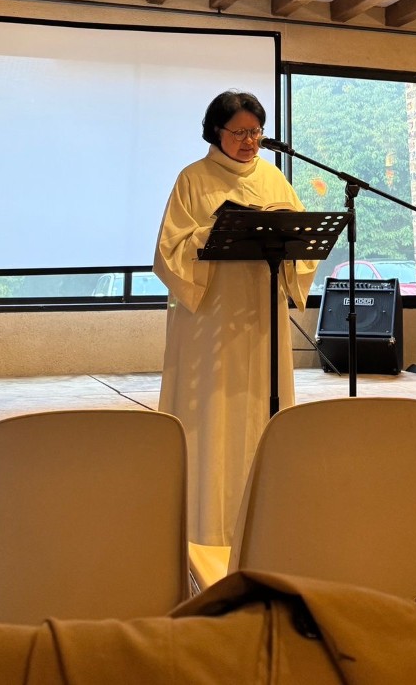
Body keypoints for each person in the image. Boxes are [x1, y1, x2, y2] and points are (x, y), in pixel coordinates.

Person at [154, 90, 317, 546]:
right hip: (211, 317)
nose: (249, 141)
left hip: (260, 315)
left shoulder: (274, 178)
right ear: (216, 131)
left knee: (263, 404)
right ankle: (205, 523)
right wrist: (214, 231)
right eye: (240, 131)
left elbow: (302, 242)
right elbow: (168, 252)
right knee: (212, 412)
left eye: (255, 131)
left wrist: (287, 240)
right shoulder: (193, 178)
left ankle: (266, 522)